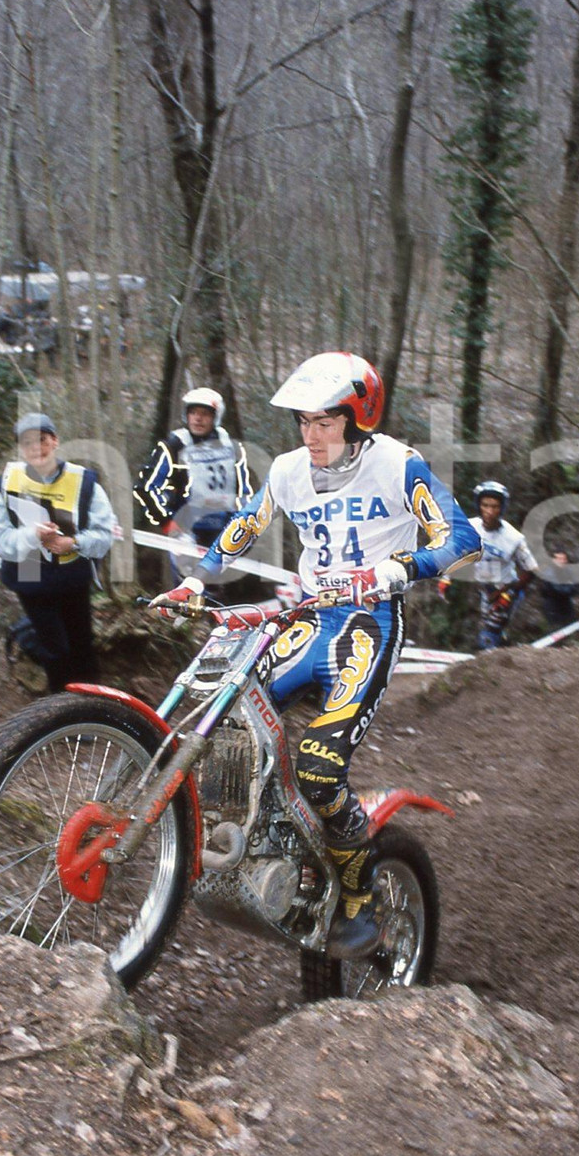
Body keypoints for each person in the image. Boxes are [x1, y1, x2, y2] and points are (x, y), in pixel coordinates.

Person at [150, 352, 481, 960]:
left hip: (370, 625)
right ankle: (265, 838)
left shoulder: (398, 464)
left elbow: (462, 540)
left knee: (322, 767)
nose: (312, 435)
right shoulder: (287, 470)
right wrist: (196, 580)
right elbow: (245, 525)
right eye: (304, 422)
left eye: (325, 422)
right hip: (307, 620)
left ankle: (359, 899)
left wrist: (391, 570)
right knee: (222, 719)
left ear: (358, 419)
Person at [0, 411, 116, 693]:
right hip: (29, 573)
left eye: (42, 440)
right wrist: (32, 535)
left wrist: (74, 543)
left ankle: (93, 704)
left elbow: (105, 535)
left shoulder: (84, 482)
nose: (36, 448)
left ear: (55, 441)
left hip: (72, 573)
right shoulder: (4, 485)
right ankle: (59, 707)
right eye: (27, 443)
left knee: (82, 645)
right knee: (55, 648)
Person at [134, 387, 252, 587]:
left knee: (222, 589)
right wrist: (167, 522)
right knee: (190, 588)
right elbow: (145, 488)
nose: (198, 418)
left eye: (204, 414)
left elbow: (244, 491)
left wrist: (244, 522)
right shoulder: (174, 447)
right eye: (193, 412)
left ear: (215, 417)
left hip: (224, 527)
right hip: (186, 531)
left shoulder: (232, 447)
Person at [441, 480, 538, 650]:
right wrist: (446, 578)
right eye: (485, 505)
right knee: (491, 631)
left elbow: (532, 569)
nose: (490, 512)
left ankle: (495, 654)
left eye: (495, 506)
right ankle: (507, 652)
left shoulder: (514, 538)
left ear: (502, 508)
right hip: (485, 589)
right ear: (478, 506)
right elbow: (455, 552)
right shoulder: (469, 527)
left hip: (507, 590)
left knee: (488, 636)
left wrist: (509, 594)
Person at [538, 550, 579, 631]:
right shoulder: (549, 573)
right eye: (559, 559)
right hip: (553, 608)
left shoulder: (569, 572)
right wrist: (569, 586)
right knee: (555, 631)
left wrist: (569, 587)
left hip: (567, 607)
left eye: (563, 559)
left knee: (569, 630)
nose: (562, 561)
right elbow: (558, 589)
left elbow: (576, 587)